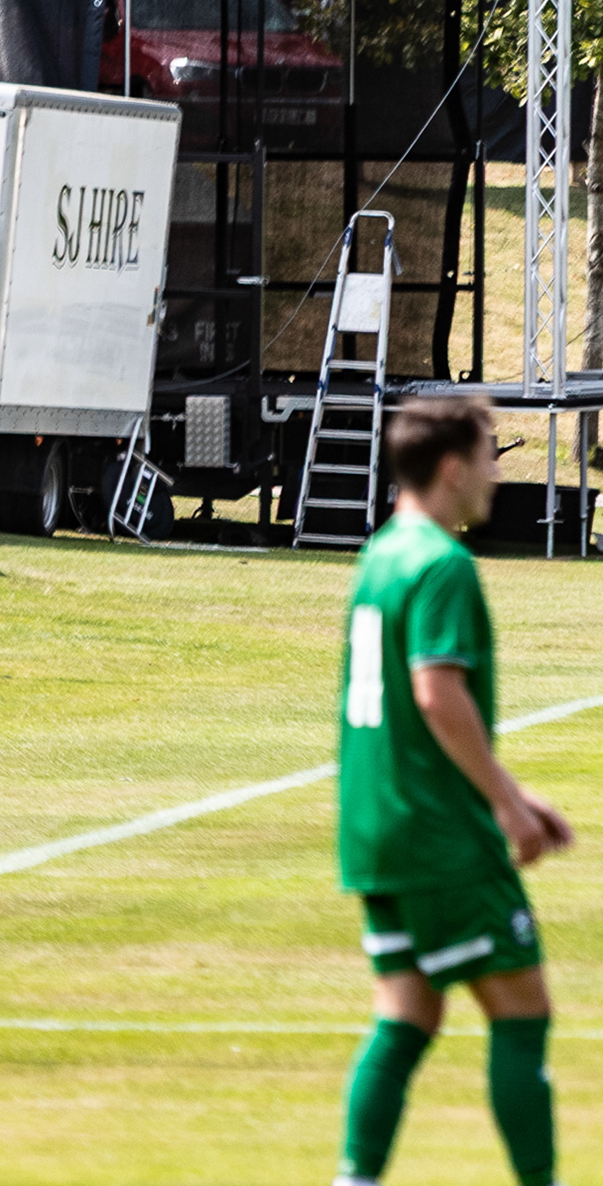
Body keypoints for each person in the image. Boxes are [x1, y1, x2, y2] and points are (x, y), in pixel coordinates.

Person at [336, 395, 573, 1186]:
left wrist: (512, 788)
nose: (496, 476)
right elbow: (436, 693)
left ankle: (355, 1178)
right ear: (450, 467)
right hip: (439, 831)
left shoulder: (381, 555)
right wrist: (506, 808)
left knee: (408, 1014)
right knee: (522, 1007)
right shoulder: (442, 564)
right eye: (488, 456)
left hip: (378, 824)